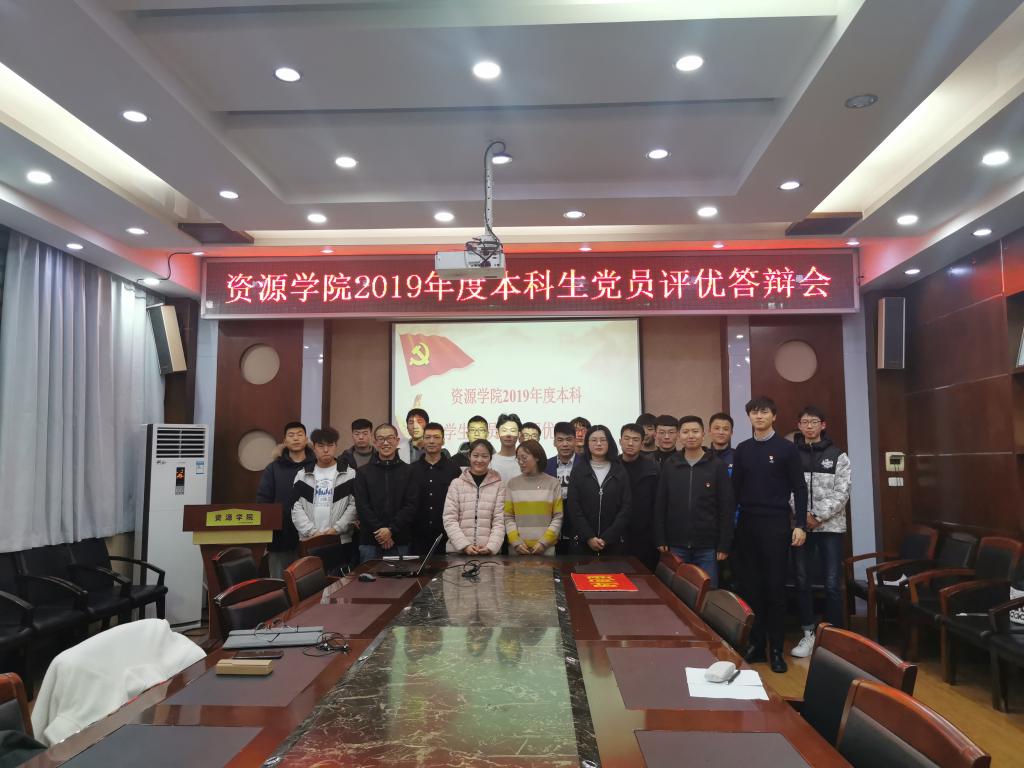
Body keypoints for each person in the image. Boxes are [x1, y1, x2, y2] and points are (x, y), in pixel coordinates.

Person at [732, 396, 808, 674]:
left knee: (775, 589)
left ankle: (776, 650)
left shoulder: (787, 449)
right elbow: (734, 491)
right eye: (754, 412)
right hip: (747, 524)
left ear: (774, 416)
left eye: (764, 412)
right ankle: (756, 646)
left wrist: (800, 524)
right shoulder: (743, 449)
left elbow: (800, 488)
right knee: (750, 589)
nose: (759, 416)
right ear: (749, 417)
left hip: (776, 524)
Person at [790, 406, 852, 658]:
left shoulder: (838, 455)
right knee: (802, 580)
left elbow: (842, 492)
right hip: (801, 527)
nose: (809, 426)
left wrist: (816, 516)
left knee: (832, 583)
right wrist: (803, 516)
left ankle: (835, 639)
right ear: (799, 425)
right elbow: (786, 488)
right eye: (804, 422)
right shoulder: (792, 454)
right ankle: (808, 634)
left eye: (814, 422)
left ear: (823, 425)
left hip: (830, 528)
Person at [653, 416, 734, 587]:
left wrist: (724, 544)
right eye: (685, 432)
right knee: (675, 592)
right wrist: (660, 538)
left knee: (707, 593)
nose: (690, 436)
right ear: (679, 436)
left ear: (703, 434)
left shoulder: (717, 465)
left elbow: (726, 507)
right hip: (676, 544)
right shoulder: (670, 464)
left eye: (695, 431)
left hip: (707, 546)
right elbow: (660, 504)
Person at [291, 427, 358, 569]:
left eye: (330, 445)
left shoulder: (349, 474)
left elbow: (354, 506)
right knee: (310, 580)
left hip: (341, 540)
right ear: (314, 447)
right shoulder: (302, 475)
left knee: (338, 579)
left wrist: (336, 529)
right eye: (321, 446)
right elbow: (295, 508)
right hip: (309, 541)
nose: (326, 450)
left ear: (336, 446)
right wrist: (313, 532)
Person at [256, 421, 314, 578]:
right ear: (284, 441)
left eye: (300, 435)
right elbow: (263, 501)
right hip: (281, 537)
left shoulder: (317, 465)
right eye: (291, 435)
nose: (296, 438)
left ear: (306, 439)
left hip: (312, 535)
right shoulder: (273, 468)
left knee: (312, 583)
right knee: (280, 583)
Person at [566, 425, 631, 555]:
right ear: (587, 444)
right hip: (583, 542)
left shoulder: (619, 470)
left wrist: (607, 537)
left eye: (603, 440)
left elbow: (626, 507)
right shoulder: (578, 471)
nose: (599, 444)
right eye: (594, 440)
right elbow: (573, 506)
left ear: (609, 443)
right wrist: (589, 536)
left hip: (613, 543)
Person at [400, 422, 461, 555]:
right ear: (422, 440)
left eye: (436, 437)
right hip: (416, 536)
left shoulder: (454, 469)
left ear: (443, 441)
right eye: (427, 437)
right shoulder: (411, 469)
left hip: (446, 536)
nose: (432, 441)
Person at [355, 423, 413, 561]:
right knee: (368, 575)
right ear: (375, 442)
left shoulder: (409, 471)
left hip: (400, 540)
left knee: (401, 576)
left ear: (397, 441)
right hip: (370, 541)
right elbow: (362, 506)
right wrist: (381, 532)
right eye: (381, 439)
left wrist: (391, 530)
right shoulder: (363, 472)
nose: (385, 443)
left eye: (390, 438)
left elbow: (411, 505)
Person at [442, 439, 506, 555]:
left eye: (484, 456)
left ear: (490, 458)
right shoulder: (456, 484)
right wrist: (464, 545)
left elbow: (499, 521)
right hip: (458, 551)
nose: (479, 460)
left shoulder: (499, 485)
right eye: (475, 456)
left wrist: (491, 547)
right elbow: (449, 519)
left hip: (487, 552)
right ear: (469, 456)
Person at [504, 440, 562, 556]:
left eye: (524, 458)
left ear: (537, 457)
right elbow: (508, 517)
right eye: (518, 459)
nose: (521, 462)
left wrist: (544, 542)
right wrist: (516, 542)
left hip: (546, 549)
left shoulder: (553, 483)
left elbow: (558, 517)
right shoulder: (512, 484)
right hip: (518, 549)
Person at [619, 422, 661, 571]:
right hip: (618, 535)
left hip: (646, 536)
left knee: (645, 578)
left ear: (642, 443)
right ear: (620, 441)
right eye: (627, 439)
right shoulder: (612, 466)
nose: (630, 443)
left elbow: (659, 503)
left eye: (635, 439)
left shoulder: (653, 467)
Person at [545, 421, 579, 554]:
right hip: (552, 521)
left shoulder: (585, 464)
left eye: (569, 439)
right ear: (554, 442)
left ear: (575, 441)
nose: (565, 444)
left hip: (577, 522)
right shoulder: (546, 465)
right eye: (560, 440)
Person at [490, 413, 522, 483]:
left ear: (519, 434)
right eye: (504, 430)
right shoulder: (490, 461)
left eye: (513, 431)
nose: (508, 435)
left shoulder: (524, 461)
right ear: (497, 434)